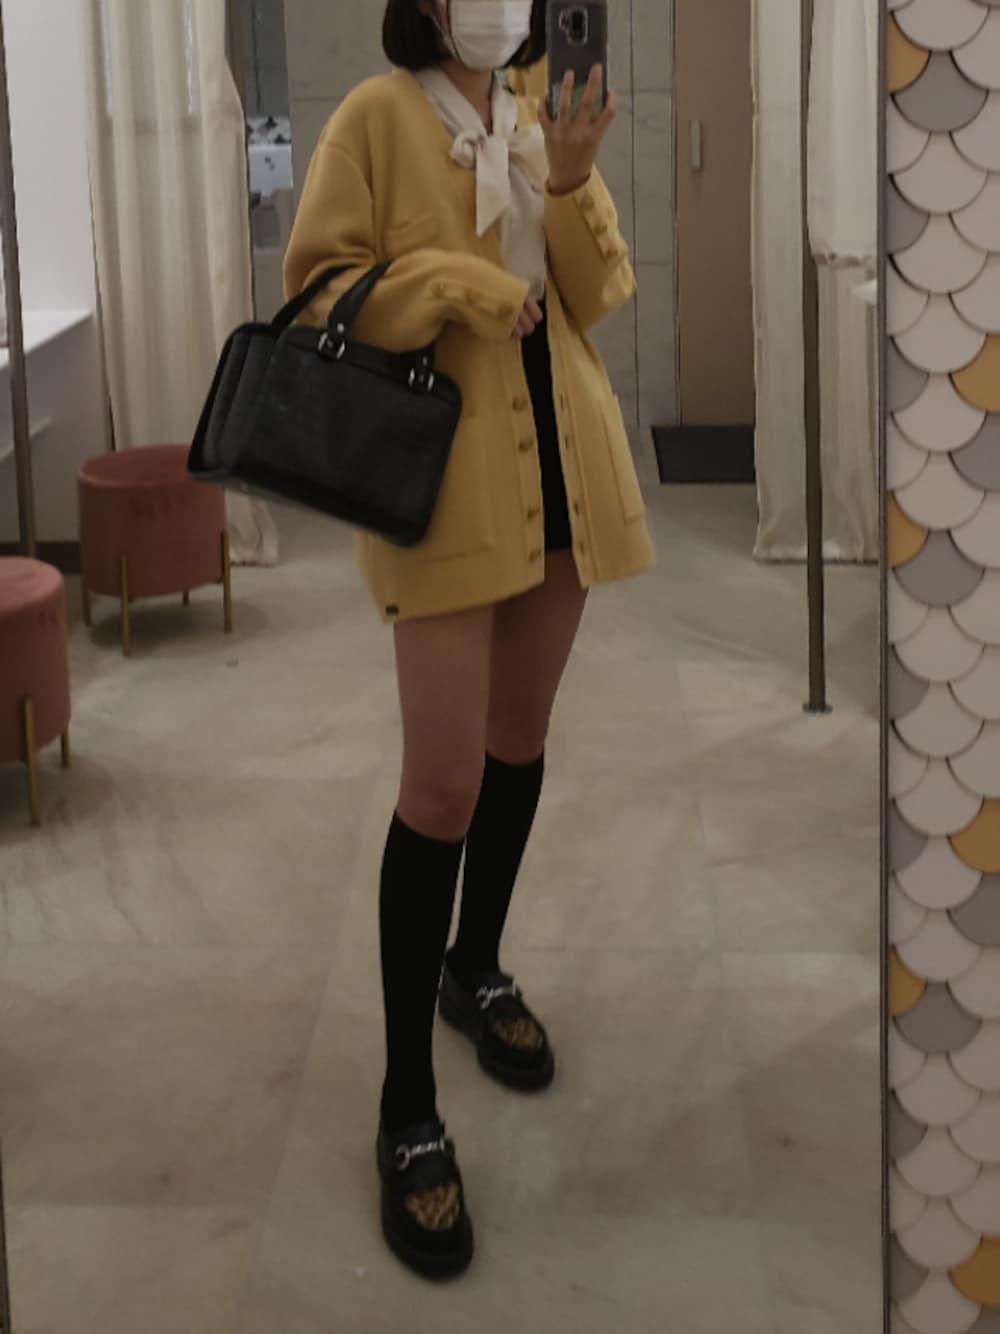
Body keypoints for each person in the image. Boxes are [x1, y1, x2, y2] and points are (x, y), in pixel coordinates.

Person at [283, 0, 656, 1279]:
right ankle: (405, 1106)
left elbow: (598, 296)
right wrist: (457, 282)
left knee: (518, 740)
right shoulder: (374, 119)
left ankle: (475, 966)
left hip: (566, 466)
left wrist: (573, 178)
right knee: (439, 786)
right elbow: (318, 294)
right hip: (442, 484)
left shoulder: (548, 109)